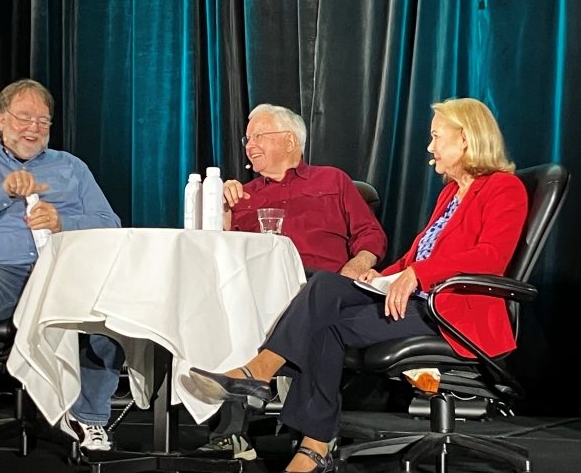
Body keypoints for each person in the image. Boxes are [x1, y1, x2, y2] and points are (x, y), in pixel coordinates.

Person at [189, 97, 528, 473]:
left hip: (450, 313)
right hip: (413, 297)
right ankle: (272, 387)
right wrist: (383, 275)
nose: (430, 147)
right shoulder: (451, 193)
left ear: (465, 139)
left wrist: (417, 274)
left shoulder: (504, 188)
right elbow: (417, 256)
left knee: (326, 324)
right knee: (327, 288)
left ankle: (307, 439)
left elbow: (490, 257)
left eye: (436, 137)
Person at [0, 79, 122, 473]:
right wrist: (0, 192)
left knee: (113, 310)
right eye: (23, 118)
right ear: (1, 120)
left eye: (43, 120)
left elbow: (110, 224)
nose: (33, 128)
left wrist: (64, 220)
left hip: (61, 269)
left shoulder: (71, 168)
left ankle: (90, 418)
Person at [197, 103, 387, 459]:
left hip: (321, 283)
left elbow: (369, 234)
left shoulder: (333, 180)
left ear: (288, 141)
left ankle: (253, 388)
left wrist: (359, 263)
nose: (249, 145)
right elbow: (216, 251)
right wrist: (221, 209)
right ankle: (234, 430)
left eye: (259, 136)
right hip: (259, 289)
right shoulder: (245, 195)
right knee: (222, 301)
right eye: (247, 138)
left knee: (317, 292)